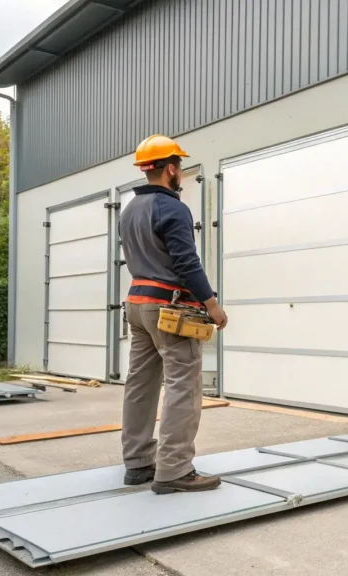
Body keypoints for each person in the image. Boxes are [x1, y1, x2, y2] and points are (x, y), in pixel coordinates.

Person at [119, 134, 229, 494]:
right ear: (170, 169)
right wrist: (211, 303)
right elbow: (186, 262)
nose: (180, 172)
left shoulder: (129, 209)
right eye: (178, 165)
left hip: (136, 304)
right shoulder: (173, 208)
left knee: (140, 384)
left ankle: (137, 464)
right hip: (168, 308)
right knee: (183, 386)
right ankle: (174, 471)